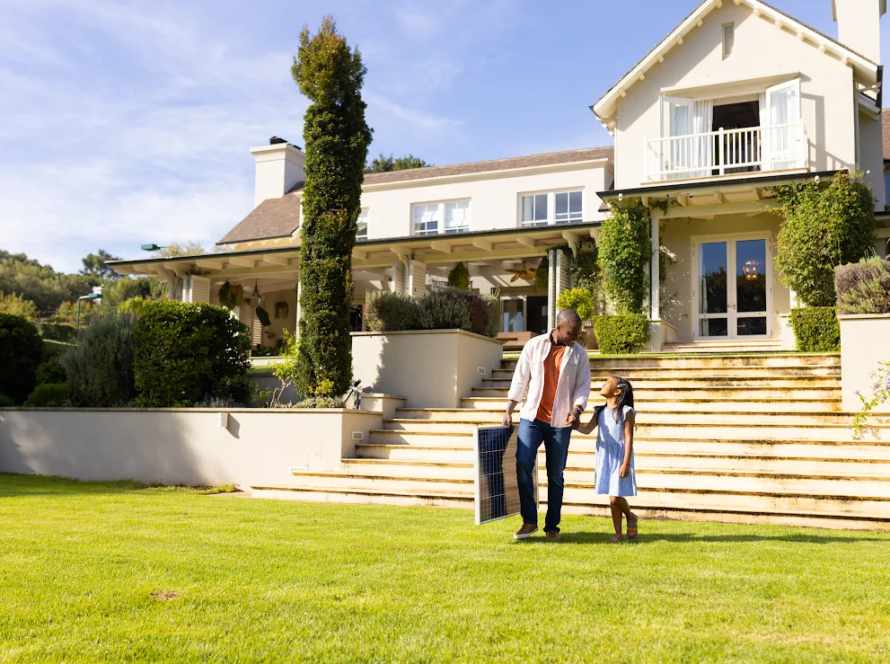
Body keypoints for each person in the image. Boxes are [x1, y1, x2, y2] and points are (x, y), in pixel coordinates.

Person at [503, 309, 591, 540]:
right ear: (559, 327)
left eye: (578, 333)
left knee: (555, 475)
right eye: (572, 333)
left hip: (561, 422)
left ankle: (552, 526)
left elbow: (583, 386)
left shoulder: (579, 353)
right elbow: (520, 378)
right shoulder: (534, 345)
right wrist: (509, 410)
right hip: (532, 417)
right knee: (522, 462)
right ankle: (529, 521)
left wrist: (577, 409)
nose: (576, 337)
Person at [577, 376, 638, 543]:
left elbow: (628, 439)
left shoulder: (626, 412)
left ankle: (631, 516)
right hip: (605, 457)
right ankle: (618, 534)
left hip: (620, 457)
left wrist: (626, 463)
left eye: (607, 383)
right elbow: (587, 429)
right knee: (612, 495)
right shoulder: (599, 411)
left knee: (614, 497)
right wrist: (575, 425)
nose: (603, 385)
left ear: (617, 391)